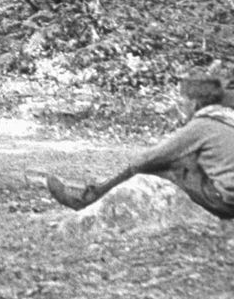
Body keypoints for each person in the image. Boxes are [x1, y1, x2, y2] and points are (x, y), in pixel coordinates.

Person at [46, 75, 234, 220]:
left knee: (158, 165)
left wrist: (137, 166)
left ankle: (87, 199)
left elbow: (149, 158)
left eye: (182, 100)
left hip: (223, 200)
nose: (179, 105)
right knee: (185, 161)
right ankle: (91, 195)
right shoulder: (226, 118)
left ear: (193, 103)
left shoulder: (202, 125)